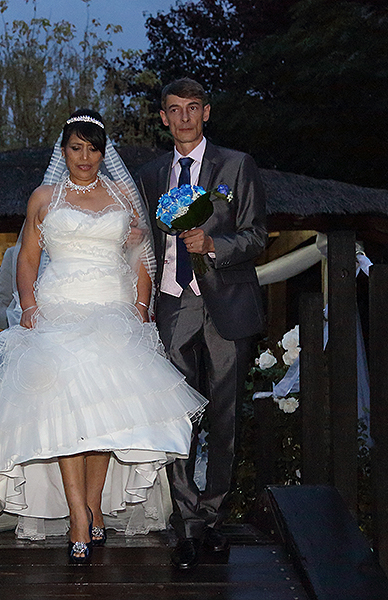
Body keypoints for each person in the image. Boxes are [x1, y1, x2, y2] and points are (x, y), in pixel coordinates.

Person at [0, 109, 206, 564]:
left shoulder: (123, 195)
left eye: (92, 148)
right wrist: (28, 306)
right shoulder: (44, 197)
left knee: (106, 418)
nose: (85, 157)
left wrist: (141, 310)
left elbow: (141, 259)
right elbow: (27, 258)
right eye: (76, 148)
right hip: (58, 312)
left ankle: (94, 504)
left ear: (104, 153)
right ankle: (78, 516)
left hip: (114, 312)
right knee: (64, 415)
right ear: (63, 151)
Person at [136, 78, 267, 570]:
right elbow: (143, 241)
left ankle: (213, 519)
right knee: (177, 417)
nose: (185, 117)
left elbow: (257, 235)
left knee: (225, 416)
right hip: (173, 305)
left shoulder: (236, 165)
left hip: (227, 304)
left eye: (193, 108)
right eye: (175, 109)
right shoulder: (150, 175)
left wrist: (215, 245)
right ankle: (186, 523)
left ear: (206, 112)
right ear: (164, 118)